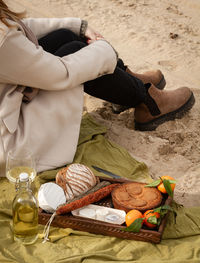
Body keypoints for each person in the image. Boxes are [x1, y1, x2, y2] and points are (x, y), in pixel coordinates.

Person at [0, 1, 195, 176]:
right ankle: (148, 101)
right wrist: (103, 50)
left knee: (64, 36)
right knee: (74, 52)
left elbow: (19, 31)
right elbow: (60, 73)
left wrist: (78, 26)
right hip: (12, 145)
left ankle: (129, 82)